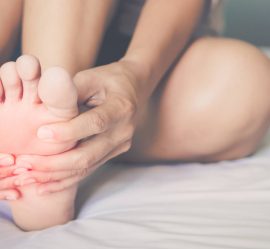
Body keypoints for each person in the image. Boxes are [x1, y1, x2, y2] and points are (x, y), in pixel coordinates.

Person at [0, 0, 270, 231]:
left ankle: (50, 148)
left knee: (248, 83)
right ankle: (48, 130)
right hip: (23, 46)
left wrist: (135, 74)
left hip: (141, 53)